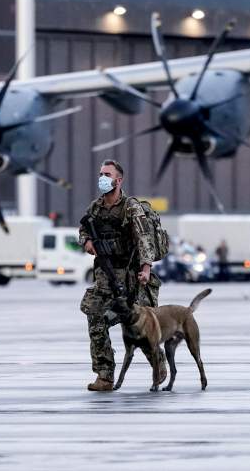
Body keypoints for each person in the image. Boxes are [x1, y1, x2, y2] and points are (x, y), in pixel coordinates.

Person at [78, 160, 161, 391]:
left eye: (107, 174)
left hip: (132, 278)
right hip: (105, 277)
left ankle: (159, 366)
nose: (102, 178)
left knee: (141, 330)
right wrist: (86, 240)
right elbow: (83, 229)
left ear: (118, 180)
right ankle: (104, 376)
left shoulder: (130, 207)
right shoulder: (95, 208)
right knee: (95, 319)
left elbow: (144, 239)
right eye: (101, 173)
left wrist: (146, 269)